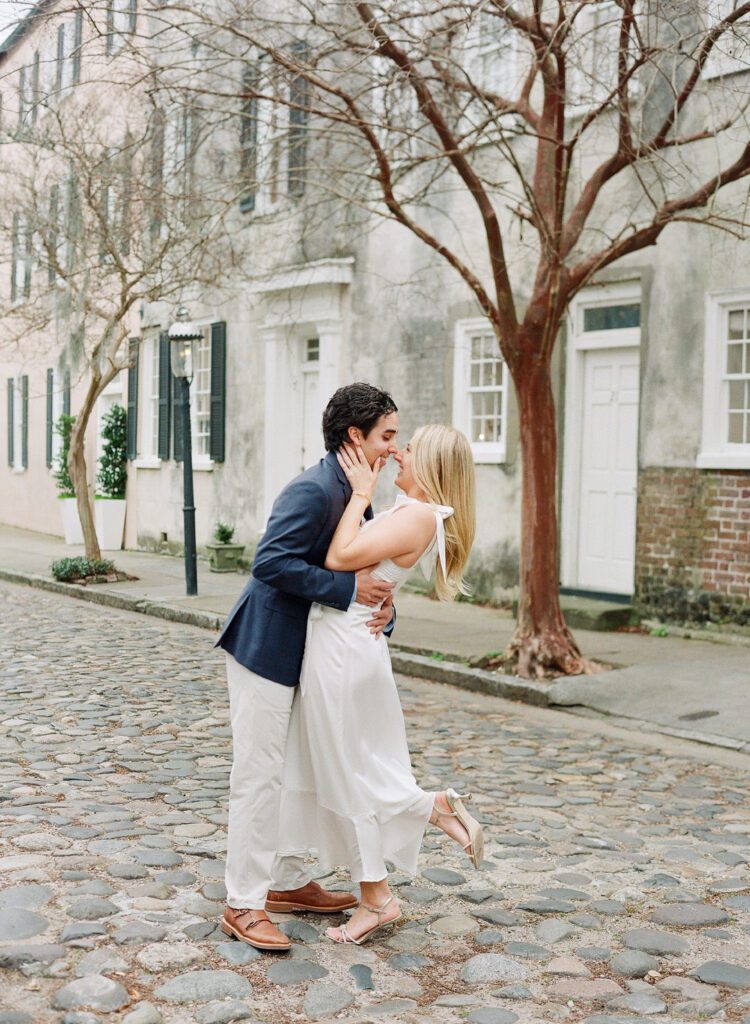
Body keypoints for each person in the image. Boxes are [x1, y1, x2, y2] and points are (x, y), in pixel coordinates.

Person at [278, 423, 483, 945]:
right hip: (348, 644)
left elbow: (337, 559)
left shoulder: (417, 515)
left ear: (432, 464)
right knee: (351, 766)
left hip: (344, 651)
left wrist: (362, 495)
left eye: (408, 449)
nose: (397, 454)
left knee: (346, 771)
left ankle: (378, 899)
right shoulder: (412, 513)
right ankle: (427, 811)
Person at [215, 383, 401, 951]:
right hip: (267, 650)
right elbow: (269, 561)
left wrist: (383, 610)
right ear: (355, 436)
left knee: (300, 771)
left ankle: (290, 883)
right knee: (259, 775)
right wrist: (348, 591)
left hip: (315, 658)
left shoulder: (358, 494)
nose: (394, 448)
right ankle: (243, 903)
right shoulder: (314, 489)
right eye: (386, 436)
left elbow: (365, 574)